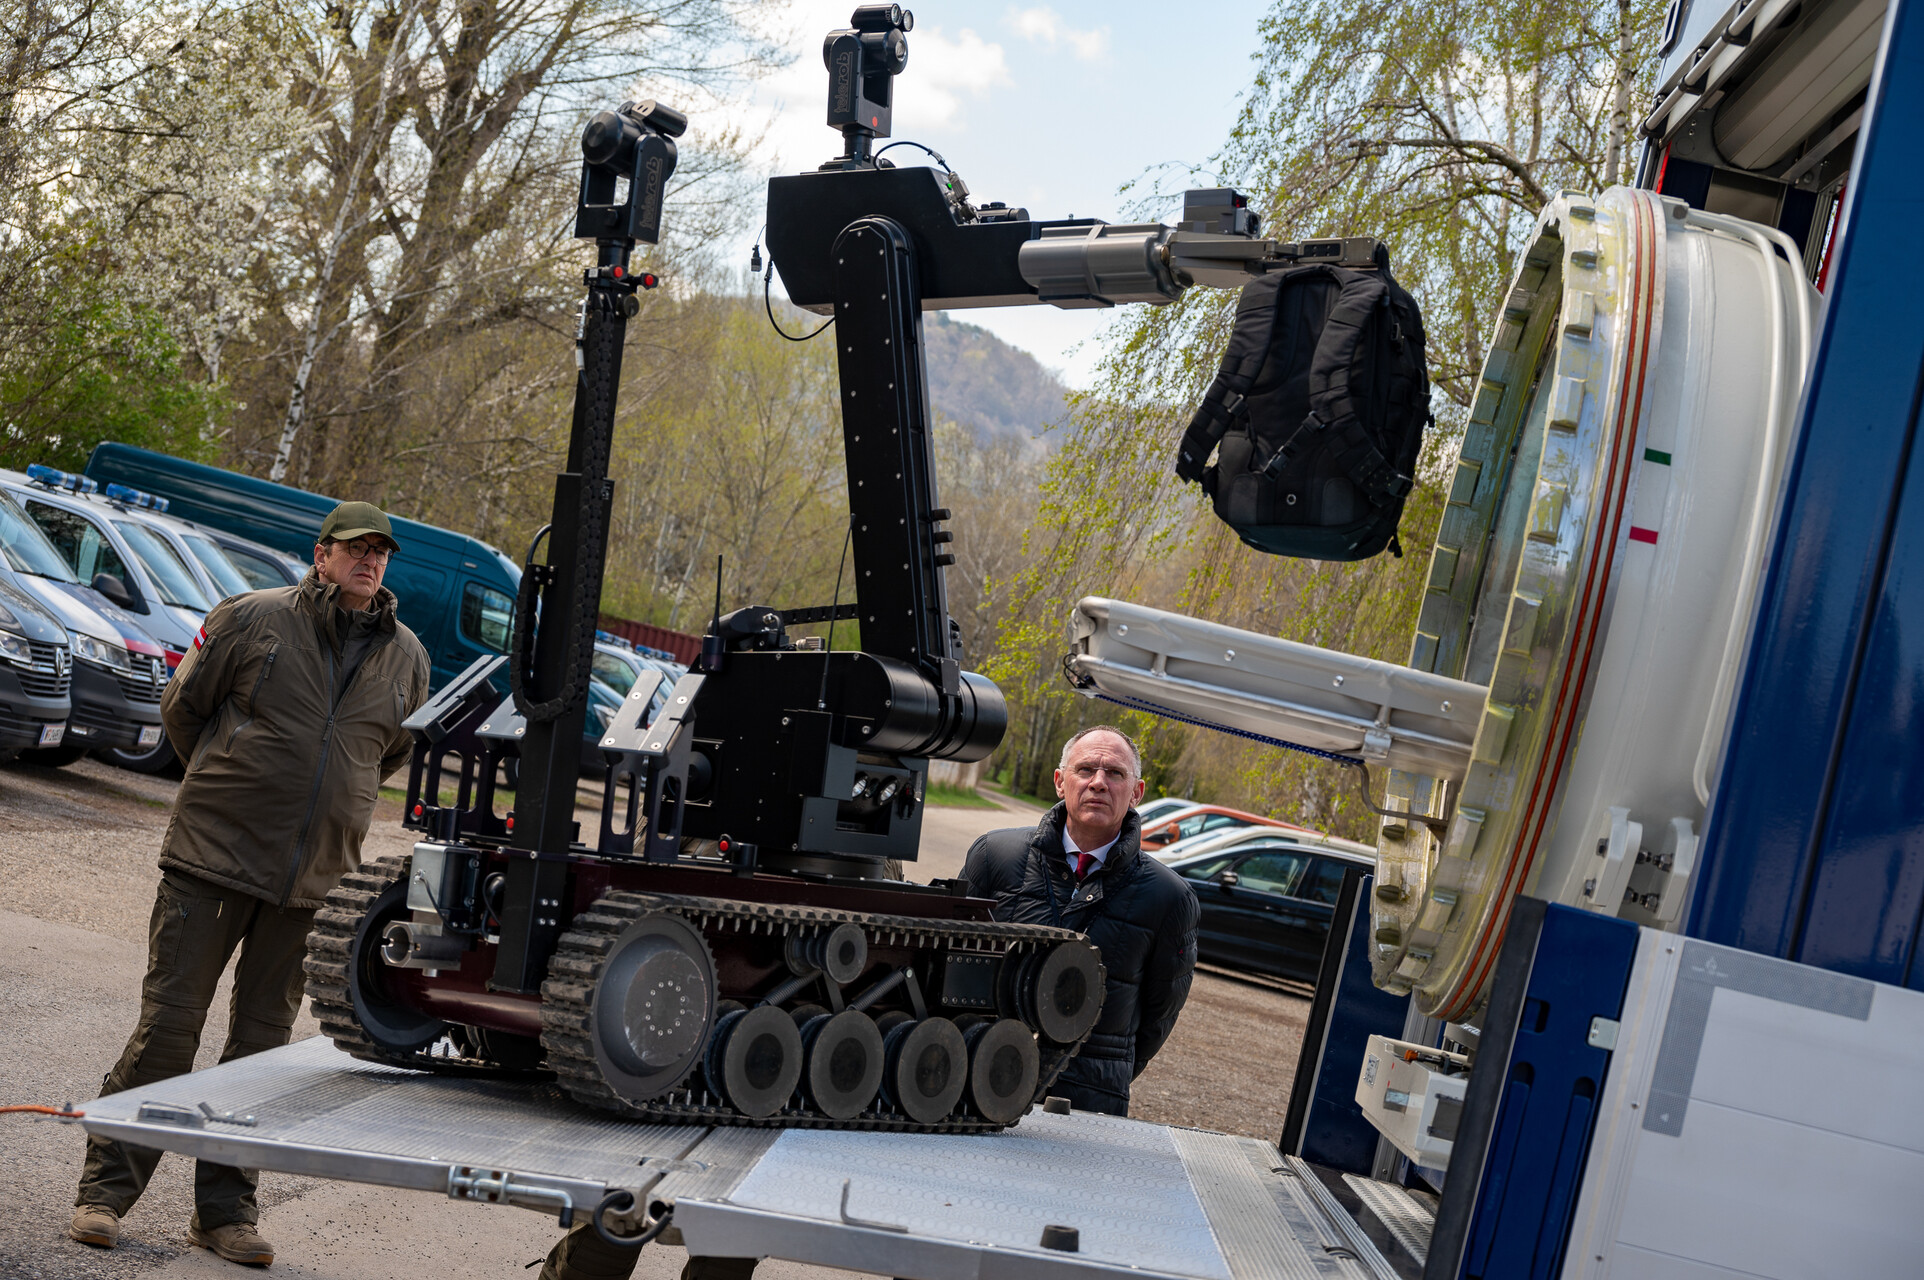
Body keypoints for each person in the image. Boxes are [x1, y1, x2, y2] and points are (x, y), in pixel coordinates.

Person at [70, 502, 431, 1266]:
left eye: (381, 553)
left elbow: (383, 756)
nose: (370, 561)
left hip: (312, 887)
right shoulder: (252, 618)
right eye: (356, 549)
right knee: (169, 1031)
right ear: (321, 554)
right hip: (212, 860)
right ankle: (103, 1193)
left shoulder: (407, 657)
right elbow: (184, 709)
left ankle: (224, 1214)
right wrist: (227, 779)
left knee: (257, 1058)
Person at [961, 725, 1200, 1116]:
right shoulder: (994, 857)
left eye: (1115, 773)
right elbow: (953, 960)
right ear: (1060, 782)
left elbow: (1159, 1018)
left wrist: (1102, 1071)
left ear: (1136, 792)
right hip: (980, 1078)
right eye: (1086, 769)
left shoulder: (1170, 898)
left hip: (1087, 1101)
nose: (1098, 783)